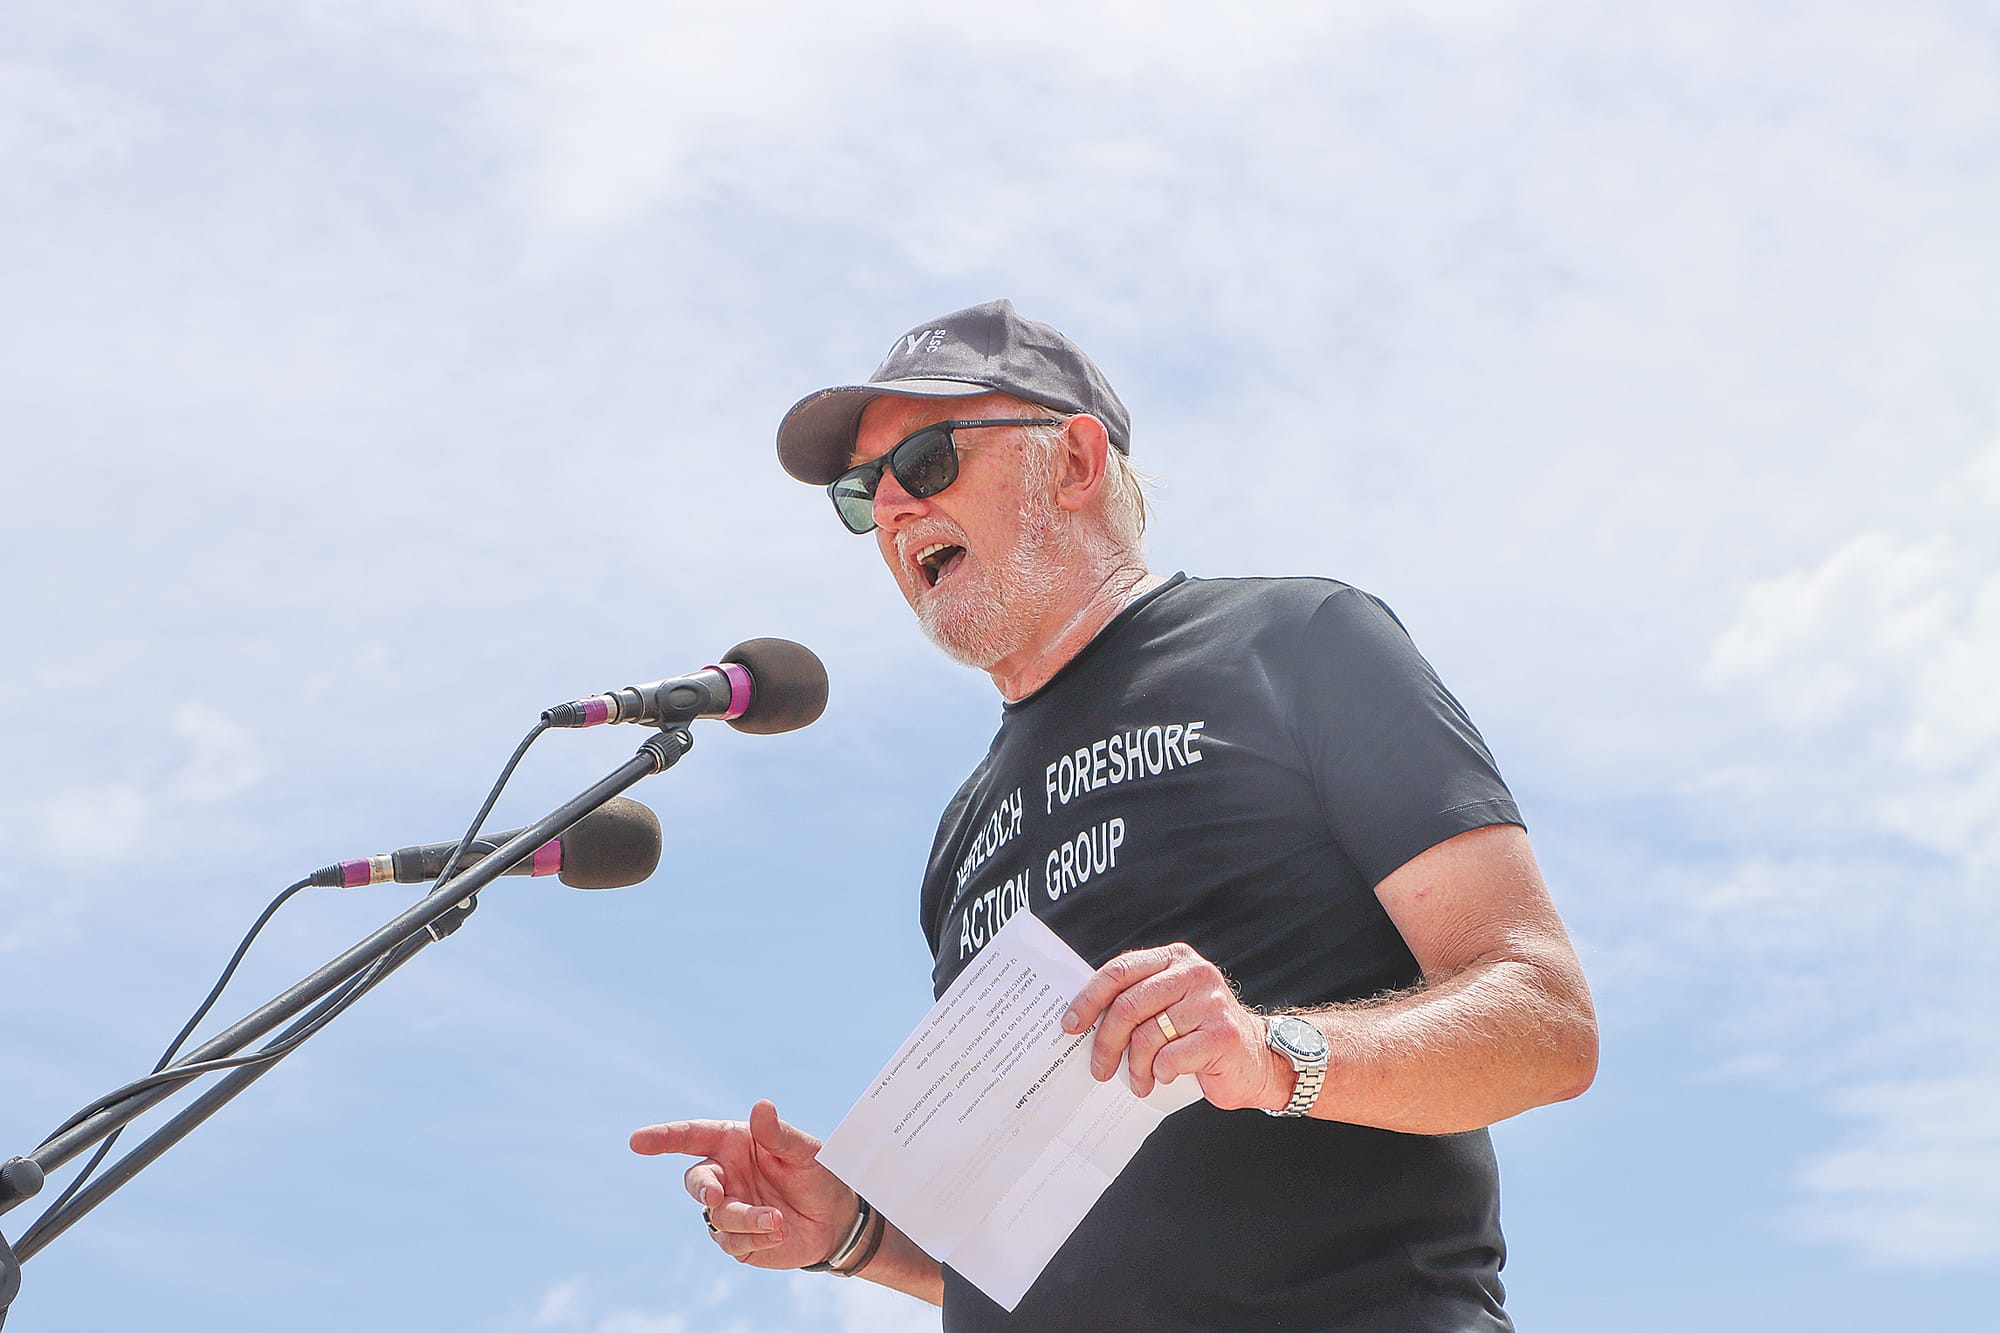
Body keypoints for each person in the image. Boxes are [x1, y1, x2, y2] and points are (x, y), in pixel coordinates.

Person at [630, 300, 1598, 1331]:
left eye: (925, 460)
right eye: (863, 493)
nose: (896, 510)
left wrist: (1270, 1054)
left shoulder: (1296, 643)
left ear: (1077, 460)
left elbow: (1544, 1020)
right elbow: (1037, 1241)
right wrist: (855, 1237)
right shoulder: (961, 835)